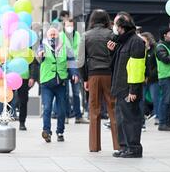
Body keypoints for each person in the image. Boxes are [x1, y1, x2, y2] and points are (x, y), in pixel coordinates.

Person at [78, 10, 119, 153]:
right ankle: (118, 145)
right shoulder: (112, 35)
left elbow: (80, 60)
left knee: (94, 110)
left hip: (93, 75)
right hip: (109, 74)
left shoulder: (85, 36)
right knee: (113, 109)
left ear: (92, 20)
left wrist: (84, 78)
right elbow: (117, 55)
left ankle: (94, 146)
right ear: (106, 20)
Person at [109, 15, 146, 158]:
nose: (114, 29)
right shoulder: (123, 42)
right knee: (121, 119)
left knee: (131, 119)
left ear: (121, 27)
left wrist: (133, 90)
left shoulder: (136, 42)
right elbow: (114, 65)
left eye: (116, 26)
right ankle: (124, 146)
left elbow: (137, 68)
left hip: (128, 88)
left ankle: (134, 148)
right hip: (120, 87)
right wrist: (111, 51)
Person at [38, 26, 78, 143]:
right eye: (51, 35)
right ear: (47, 36)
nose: (53, 36)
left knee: (61, 110)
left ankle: (60, 132)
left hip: (61, 83)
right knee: (47, 108)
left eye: (55, 34)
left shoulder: (65, 47)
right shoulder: (43, 46)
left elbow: (71, 62)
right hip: (47, 83)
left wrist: (74, 74)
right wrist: (40, 54)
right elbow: (38, 56)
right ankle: (47, 132)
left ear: (58, 36)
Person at [62, 18, 87, 124]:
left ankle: (78, 116)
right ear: (63, 26)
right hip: (63, 66)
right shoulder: (60, 36)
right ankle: (66, 115)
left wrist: (76, 71)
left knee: (76, 93)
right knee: (65, 93)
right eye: (67, 25)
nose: (69, 28)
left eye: (71, 25)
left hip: (75, 65)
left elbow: (79, 52)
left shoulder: (77, 35)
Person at [139, 32, 161, 129]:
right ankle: (141, 119)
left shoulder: (155, 50)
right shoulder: (139, 50)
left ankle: (158, 117)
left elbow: (157, 66)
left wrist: (150, 76)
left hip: (153, 79)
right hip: (142, 79)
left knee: (155, 98)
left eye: (144, 40)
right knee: (141, 99)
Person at [16, 59, 39, 131]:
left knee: (23, 101)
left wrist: (32, 77)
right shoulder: (8, 48)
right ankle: (5, 118)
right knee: (7, 98)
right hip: (10, 76)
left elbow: (33, 63)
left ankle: (22, 122)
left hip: (24, 78)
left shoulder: (27, 49)